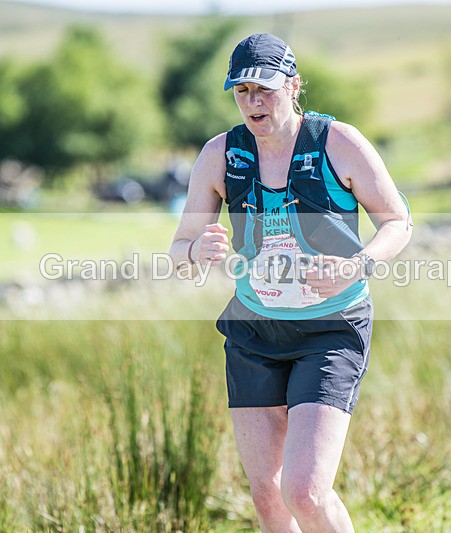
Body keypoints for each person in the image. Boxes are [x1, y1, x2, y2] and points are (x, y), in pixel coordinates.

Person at [169, 32, 412, 532]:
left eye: (265, 89)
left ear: (294, 85)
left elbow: (398, 222)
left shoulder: (338, 142)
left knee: (304, 490)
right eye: (242, 92)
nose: (254, 102)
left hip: (329, 330)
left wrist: (358, 263)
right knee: (267, 497)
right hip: (254, 332)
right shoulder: (220, 155)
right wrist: (197, 250)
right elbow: (179, 251)